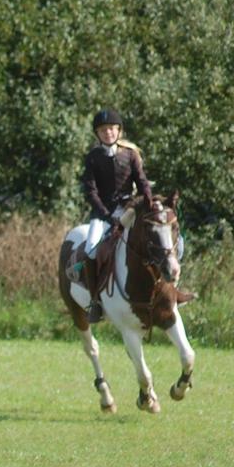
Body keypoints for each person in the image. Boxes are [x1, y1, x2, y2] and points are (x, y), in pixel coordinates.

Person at [76, 108, 153, 323]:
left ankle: (169, 291)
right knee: (91, 250)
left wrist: (149, 201)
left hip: (129, 209)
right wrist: (106, 215)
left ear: (118, 130)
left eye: (111, 129)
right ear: (97, 134)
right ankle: (94, 302)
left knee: (157, 238)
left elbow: (142, 181)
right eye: (103, 130)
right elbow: (91, 191)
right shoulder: (93, 158)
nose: (108, 133)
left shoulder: (130, 155)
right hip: (103, 214)